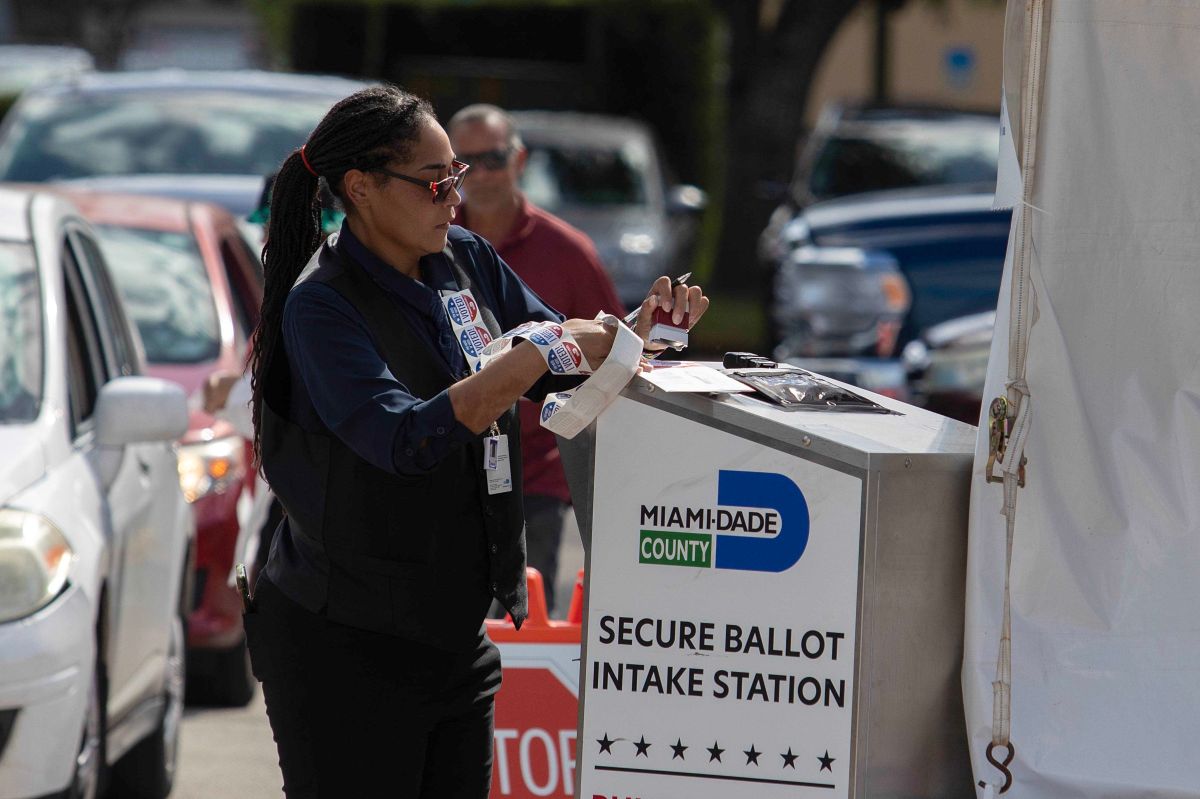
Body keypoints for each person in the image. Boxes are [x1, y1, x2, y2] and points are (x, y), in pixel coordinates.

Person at [243, 84, 708, 799]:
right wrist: (534, 353)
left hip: (454, 636)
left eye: (457, 175)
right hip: (346, 647)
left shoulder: (462, 258)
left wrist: (639, 332)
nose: (453, 197)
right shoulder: (323, 306)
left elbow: (557, 373)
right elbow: (403, 437)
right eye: (435, 182)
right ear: (361, 189)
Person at [447, 104, 624, 614]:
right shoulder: (427, 243)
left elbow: (614, 350)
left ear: (519, 160)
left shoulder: (568, 251)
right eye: (464, 162)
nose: (479, 175)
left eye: (494, 159)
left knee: (523, 623)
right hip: (449, 460)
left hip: (536, 475)